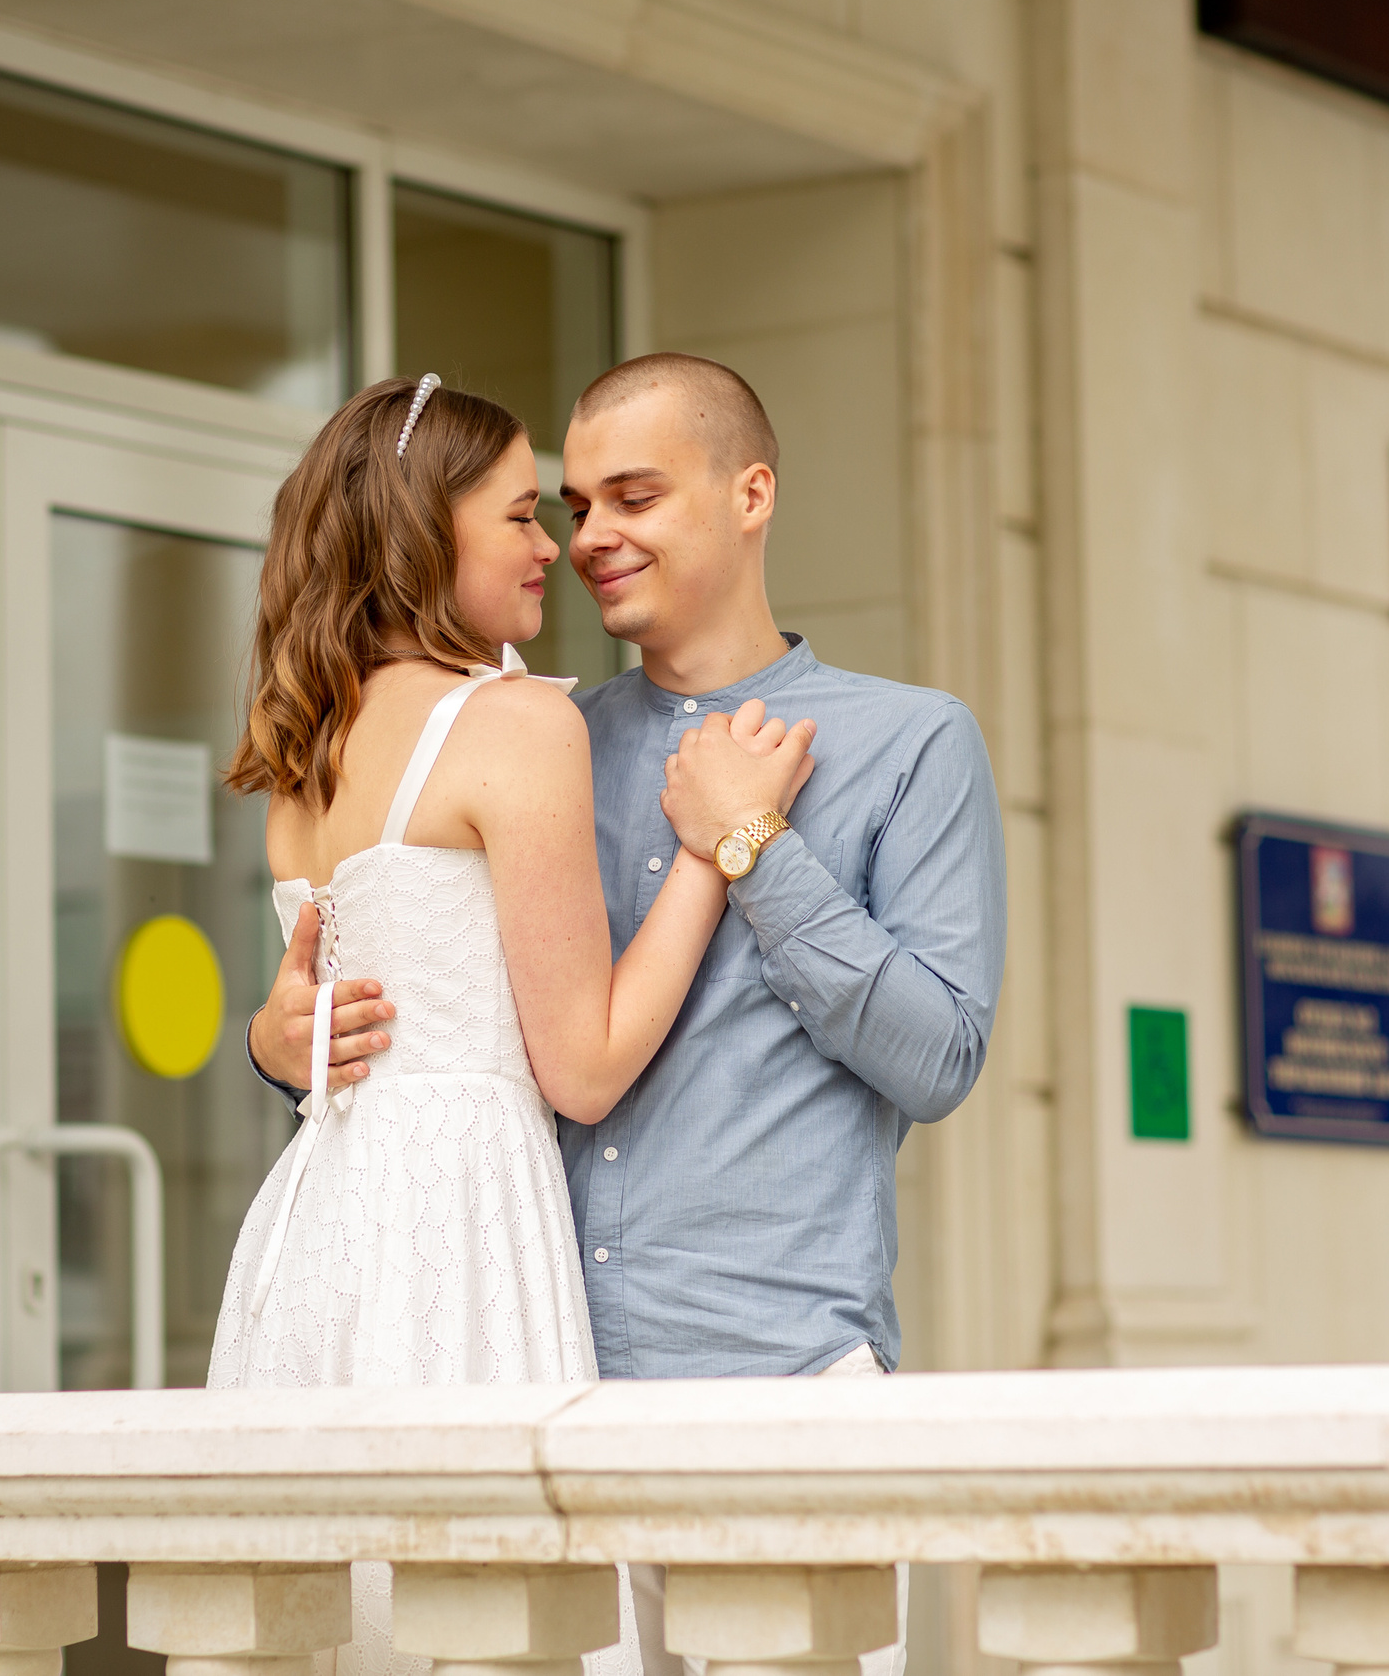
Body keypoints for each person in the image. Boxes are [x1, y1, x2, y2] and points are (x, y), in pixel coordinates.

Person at [250, 354, 1008, 1676]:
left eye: (634, 498)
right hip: (531, 1384)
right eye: (571, 503)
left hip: (780, 1384)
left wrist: (758, 852)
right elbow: (424, 1004)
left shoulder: (913, 744)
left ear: (751, 492)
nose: (590, 539)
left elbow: (938, 1057)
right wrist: (281, 1042)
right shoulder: (529, 729)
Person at [208, 372, 815, 1675]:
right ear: (429, 534)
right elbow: (586, 1067)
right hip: (459, 1225)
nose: (556, 545)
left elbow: (328, 1007)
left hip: (320, 1228)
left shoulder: (302, 743)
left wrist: (273, 1040)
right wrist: (716, 850)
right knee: (492, 1620)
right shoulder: (516, 719)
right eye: (518, 515)